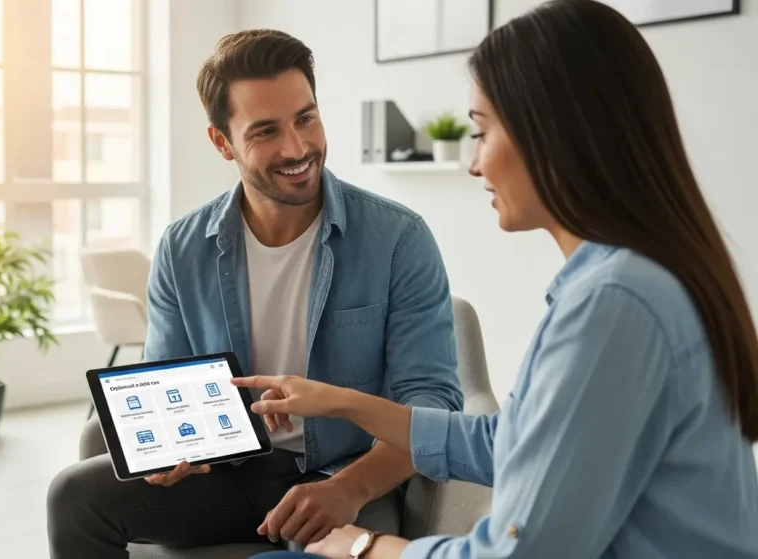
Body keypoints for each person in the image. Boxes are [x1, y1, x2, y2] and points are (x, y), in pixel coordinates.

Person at [244, 1, 758, 558]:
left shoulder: (615, 304)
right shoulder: (629, 280)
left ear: (554, 135)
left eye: (481, 133)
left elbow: (521, 553)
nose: (474, 164)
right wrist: (344, 402)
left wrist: (364, 548)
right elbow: (508, 440)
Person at [46, 29, 464, 558]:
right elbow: (167, 380)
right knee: (73, 494)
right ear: (222, 142)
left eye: (306, 118)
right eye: (266, 131)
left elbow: (432, 402)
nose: (296, 148)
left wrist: (349, 489)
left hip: (345, 477)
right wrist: (170, 448)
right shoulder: (182, 247)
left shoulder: (399, 239)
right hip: (229, 475)